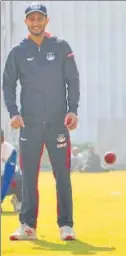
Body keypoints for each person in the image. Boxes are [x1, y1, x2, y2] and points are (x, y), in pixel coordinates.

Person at [2, 3, 80, 240]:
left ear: (47, 20)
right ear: (26, 21)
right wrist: (14, 113)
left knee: (62, 176)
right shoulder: (18, 51)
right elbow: (7, 84)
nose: (36, 22)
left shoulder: (60, 46)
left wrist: (73, 110)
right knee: (28, 177)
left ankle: (66, 225)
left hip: (58, 123)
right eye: (31, 19)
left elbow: (72, 80)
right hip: (30, 124)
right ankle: (28, 226)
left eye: (40, 18)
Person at [1, 129, 22, 212]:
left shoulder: (10, 149)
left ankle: (19, 201)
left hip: (10, 178)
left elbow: (9, 174)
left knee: (21, 177)